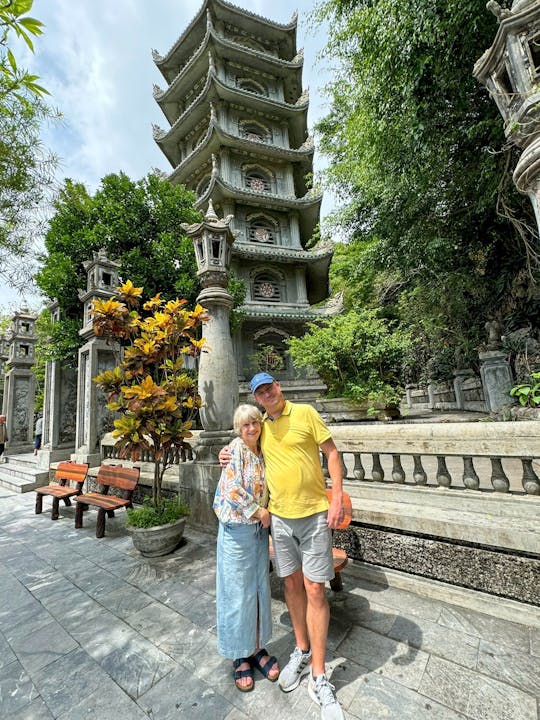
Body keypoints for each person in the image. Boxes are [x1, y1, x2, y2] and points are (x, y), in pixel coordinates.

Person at [220, 373, 345, 720]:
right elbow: (242, 447)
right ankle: (301, 650)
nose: (268, 394)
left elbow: (332, 454)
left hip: (315, 515)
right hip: (280, 519)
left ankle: (319, 676)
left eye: (270, 387)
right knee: (290, 585)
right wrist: (225, 452)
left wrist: (336, 498)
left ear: (279, 388)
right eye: (260, 392)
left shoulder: (305, 413)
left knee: (315, 589)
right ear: (258, 400)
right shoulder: (261, 430)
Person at [213, 403, 280, 692]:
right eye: (245, 425)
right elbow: (230, 490)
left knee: (258, 589)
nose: (251, 428)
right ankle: (239, 655)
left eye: (254, 422)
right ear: (238, 429)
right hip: (237, 529)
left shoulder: (264, 450)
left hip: (257, 532)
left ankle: (255, 648)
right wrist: (259, 512)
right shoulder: (236, 449)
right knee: (236, 594)